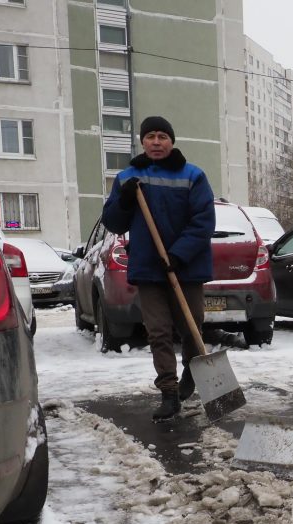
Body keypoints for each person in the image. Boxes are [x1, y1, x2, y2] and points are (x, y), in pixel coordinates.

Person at [102, 116, 216, 422]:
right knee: (158, 332)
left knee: (193, 327)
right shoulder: (128, 177)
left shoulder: (193, 176)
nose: (156, 141)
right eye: (150, 136)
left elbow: (204, 220)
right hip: (149, 269)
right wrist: (124, 202)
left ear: (171, 141)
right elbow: (113, 222)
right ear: (142, 141)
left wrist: (178, 255)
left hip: (187, 267)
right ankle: (169, 391)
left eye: (162, 136)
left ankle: (192, 371)